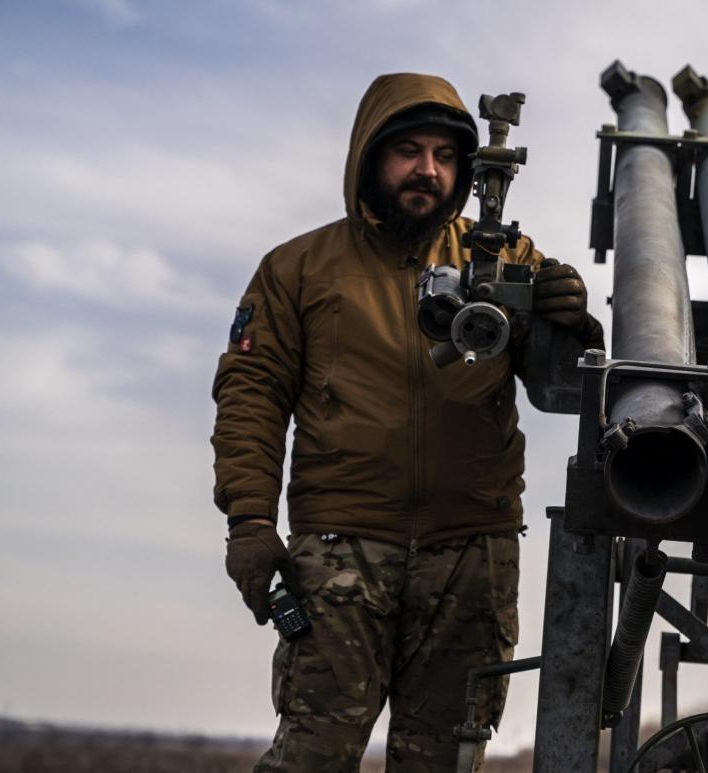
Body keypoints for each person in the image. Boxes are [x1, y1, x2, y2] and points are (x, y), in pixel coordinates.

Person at [211, 72, 603, 772]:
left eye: (445, 156)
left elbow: (566, 389)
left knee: (446, 761)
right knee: (311, 755)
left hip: (471, 555)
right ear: (370, 155)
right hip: (341, 553)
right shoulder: (299, 268)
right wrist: (249, 519)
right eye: (409, 151)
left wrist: (573, 323)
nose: (428, 169)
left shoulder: (505, 261)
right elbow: (252, 392)